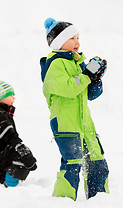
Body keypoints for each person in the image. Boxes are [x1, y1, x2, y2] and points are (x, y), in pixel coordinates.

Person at [40, 18, 109, 200]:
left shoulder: (78, 63)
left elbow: (90, 94)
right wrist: (86, 75)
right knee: (72, 164)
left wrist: (96, 78)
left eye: (78, 38)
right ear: (58, 42)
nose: (77, 42)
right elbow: (69, 88)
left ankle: (100, 200)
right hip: (66, 125)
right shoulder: (54, 65)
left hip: (85, 125)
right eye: (72, 38)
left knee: (98, 162)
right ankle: (62, 200)